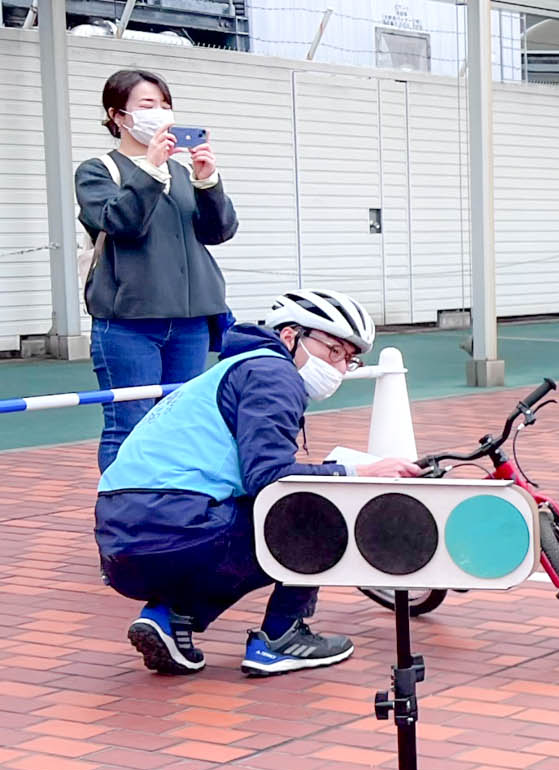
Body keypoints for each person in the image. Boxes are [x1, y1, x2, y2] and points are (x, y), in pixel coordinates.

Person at [94, 288, 417, 678]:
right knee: (317, 509)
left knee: (246, 523)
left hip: (123, 541)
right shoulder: (273, 375)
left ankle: (168, 618)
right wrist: (359, 473)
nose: (340, 367)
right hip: (176, 524)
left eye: (349, 359)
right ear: (289, 336)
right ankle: (282, 638)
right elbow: (269, 477)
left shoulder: (239, 368)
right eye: (333, 351)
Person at [78, 69, 240, 472]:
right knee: (128, 424)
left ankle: (170, 506)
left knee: (179, 422)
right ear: (118, 116)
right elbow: (122, 223)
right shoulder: (99, 170)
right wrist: (149, 169)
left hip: (189, 321)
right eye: (148, 106)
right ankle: (124, 510)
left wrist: (208, 182)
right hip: (129, 321)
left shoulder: (181, 173)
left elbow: (218, 232)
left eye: (165, 105)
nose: (161, 114)